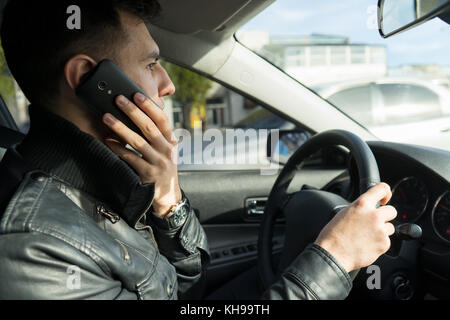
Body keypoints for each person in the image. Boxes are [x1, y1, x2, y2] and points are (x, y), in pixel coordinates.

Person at [0, 0, 397, 300]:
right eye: (152, 63)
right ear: (90, 79)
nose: (168, 84)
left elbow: (186, 290)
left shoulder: (106, 180)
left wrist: (168, 201)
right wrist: (334, 258)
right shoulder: (34, 245)